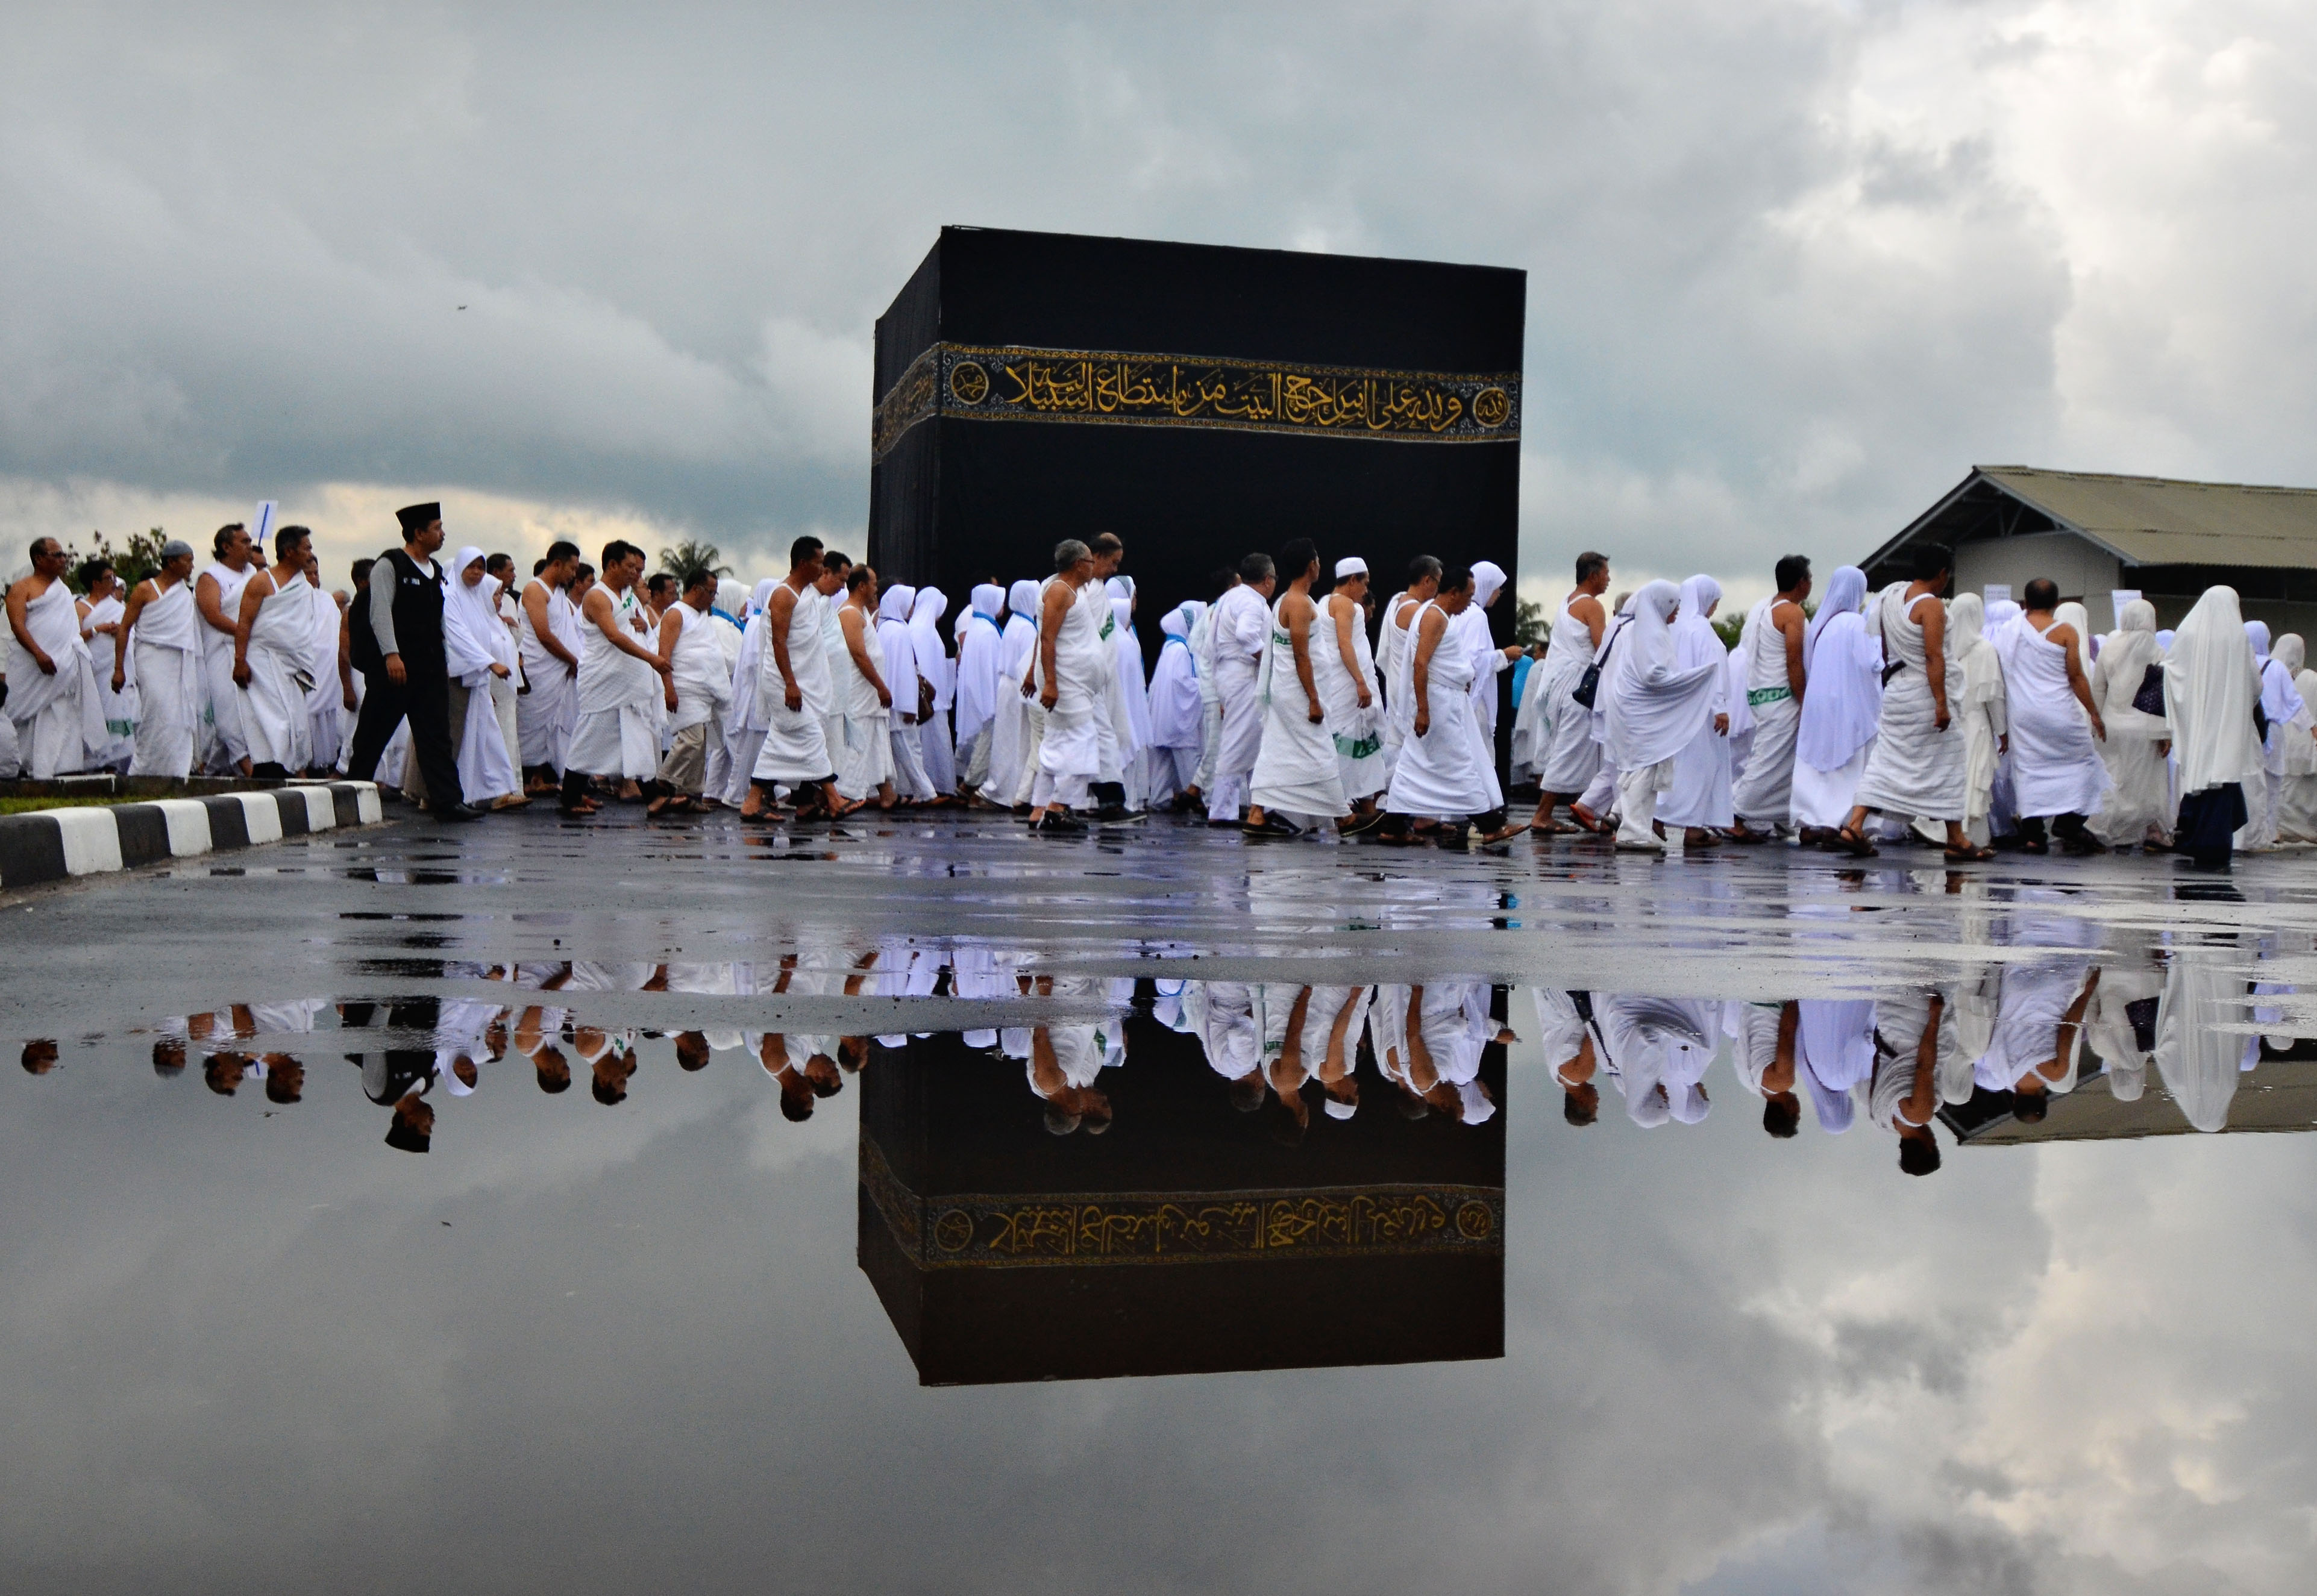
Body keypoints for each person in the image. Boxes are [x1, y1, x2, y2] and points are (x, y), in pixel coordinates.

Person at [1846, 545, 1989, 861]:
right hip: (1924, 693)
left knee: (1885, 761)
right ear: (1941, 574)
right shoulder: (1932, 607)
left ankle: (1856, 823)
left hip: (1897, 690)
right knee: (1951, 759)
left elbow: (1884, 651)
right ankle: (1957, 839)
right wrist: (1941, 702)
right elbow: (1933, 655)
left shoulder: (1890, 599)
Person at [1378, 566, 1526, 846]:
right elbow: (1420, 663)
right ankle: (1490, 824)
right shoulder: (1434, 617)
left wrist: (1460, 680)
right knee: (1460, 762)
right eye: (1468, 596)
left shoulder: (1436, 614)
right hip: (1438, 704)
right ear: (1453, 592)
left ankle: (1393, 824)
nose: (1470, 602)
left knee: (1412, 764)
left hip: (1443, 698)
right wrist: (1423, 710)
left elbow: (1436, 662)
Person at [348, 504, 476, 818]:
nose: (442, 534)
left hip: (429, 668)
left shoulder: (435, 570)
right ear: (418, 533)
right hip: (395, 669)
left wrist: (444, 658)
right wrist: (391, 654)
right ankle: (349, 795)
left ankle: (448, 801)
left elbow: (439, 618)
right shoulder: (390, 565)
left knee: (436, 736)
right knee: (372, 734)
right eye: (437, 528)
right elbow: (380, 613)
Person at [1596, 580, 1722, 853]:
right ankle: (1633, 831)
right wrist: (1695, 678)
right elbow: (1654, 675)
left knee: (1644, 771)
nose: (1677, 611)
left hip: (1639, 713)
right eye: (1673, 606)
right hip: (1640, 715)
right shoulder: (1650, 634)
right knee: (1643, 770)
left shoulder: (1650, 630)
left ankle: (1638, 827)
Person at [1993, 579, 2110, 854]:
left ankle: (2035, 836)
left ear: (2025, 602)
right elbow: (2076, 676)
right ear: (2057, 604)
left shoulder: (2009, 631)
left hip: (2023, 715)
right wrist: (2094, 712)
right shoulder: (2065, 631)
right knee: (2085, 764)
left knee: (2030, 770)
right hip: (2059, 712)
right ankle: (2069, 821)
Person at [560, 540, 674, 816]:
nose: (636, 574)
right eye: (631, 567)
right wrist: (652, 660)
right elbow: (613, 636)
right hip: (604, 679)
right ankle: (570, 797)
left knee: (637, 734)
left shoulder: (627, 594)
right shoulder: (598, 597)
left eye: (638, 569)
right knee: (589, 737)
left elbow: (635, 622)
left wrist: (643, 625)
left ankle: (652, 795)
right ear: (612, 565)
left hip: (628, 681)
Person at [1246, 539, 1351, 837]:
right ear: (1311, 566)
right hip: (1298, 695)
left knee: (1277, 751)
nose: (1320, 564)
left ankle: (1256, 814)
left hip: (1289, 693)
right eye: (1317, 560)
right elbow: (1300, 655)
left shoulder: (1286, 600)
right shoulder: (1298, 604)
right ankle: (1343, 816)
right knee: (1320, 752)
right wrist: (1314, 699)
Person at [741, 537, 845, 822]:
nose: (822, 568)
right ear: (803, 563)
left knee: (780, 740)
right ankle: (834, 799)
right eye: (818, 562)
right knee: (810, 735)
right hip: (784, 682)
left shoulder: (808, 592)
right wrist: (790, 683)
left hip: (802, 682)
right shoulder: (783, 595)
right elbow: (779, 642)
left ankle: (754, 802)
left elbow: (828, 589)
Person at [2162, 586, 2266, 870]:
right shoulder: (2237, 638)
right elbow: (2256, 685)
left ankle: (2192, 834)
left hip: (2196, 720)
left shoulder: (2187, 634)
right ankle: (2215, 843)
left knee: (2197, 774)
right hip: (2227, 722)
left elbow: (2170, 673)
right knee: (2222, 776)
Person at [1789, 565, 1878, 851]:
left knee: (1816, 761)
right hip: (1849, 702)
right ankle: (1839, 822)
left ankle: (1809, 820)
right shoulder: (1856, 623)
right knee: (1847, 763)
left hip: (1818, 703)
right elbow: (1870, 663)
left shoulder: (1820, 624)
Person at [1727, 555, 1813, 843]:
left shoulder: (1763, 608)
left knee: (1779, 763)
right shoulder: (1793, 614)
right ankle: (1734, 815)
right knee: (1767, 763)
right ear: (1802, 582)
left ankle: (1785, 818)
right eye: (1810, 578)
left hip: (1762, 695)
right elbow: (1794, 663)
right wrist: (1804, 701)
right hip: (1783, 698)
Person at [4, 536, 104, 778]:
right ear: (39, 559)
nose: (63, 560)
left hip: (64, 668)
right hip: (32, 667)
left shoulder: (63, 591)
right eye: (57, 555)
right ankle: (27, 768)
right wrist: (38, 654)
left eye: (63, 555)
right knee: (27, 718)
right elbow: (17, 626)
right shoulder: (22, 588)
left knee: (63, 712)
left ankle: (63, 769)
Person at [1524, 551, 1611, 832]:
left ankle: (1584, 809)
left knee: (1583, 750)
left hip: (1562, 685)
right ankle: (1543, 814)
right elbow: (1602, 648)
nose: (1609, 580)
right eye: (1606, 574)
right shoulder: (1593, 606)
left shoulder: (1567, 601)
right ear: (1594, 575)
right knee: (1570, 750)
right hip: (1578, 687)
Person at [1026, 540, 1106, 833]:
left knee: (1057, 743)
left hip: (1075, 683)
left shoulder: (1073, 590)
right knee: (1082, 741)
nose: (1093, 566)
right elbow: (1047, 638)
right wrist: (1050, 683)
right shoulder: (1060, 591)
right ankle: (1058, 807)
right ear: (1077, 564)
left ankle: (1039, 807)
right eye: (1089, 561)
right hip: (1066, 683)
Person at [229, 521, 318, 780]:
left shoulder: (302, 584)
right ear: (289, 551)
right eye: (306, 548)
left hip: (293, 663)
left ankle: (287, 770)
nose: (310, 554)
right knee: (273, 719)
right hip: (263, 660)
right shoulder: (261, 581)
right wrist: (240, 661)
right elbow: (244, 622)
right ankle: (269, 768)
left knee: (296, 722)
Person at [440, 545, 524, 810]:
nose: (477, 573)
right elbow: (458, 636)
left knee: (488, 738)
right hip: (459, 677)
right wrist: (490, 663)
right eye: (471, 567)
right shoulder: (451, 596)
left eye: (481, 568)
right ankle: (457, 795)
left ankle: (498, 791)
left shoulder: (477, 598)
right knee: (461, 740)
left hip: (478, 678)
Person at [1656, 574, 1734, 849]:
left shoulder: (1675, 628)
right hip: (1704, 714)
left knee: (1680, 767)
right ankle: (1684, 824)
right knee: (1703, 768)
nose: (1715, 607)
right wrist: (1720, 708)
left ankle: (1675, 820)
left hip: (1679, 711)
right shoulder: (1701, 629)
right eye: (1714, 600)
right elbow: (1711, 672)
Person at [2087, 599, 2171, 849]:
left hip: (2112, 724)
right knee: (2146, 784)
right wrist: (2166, 734)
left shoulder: (2109, 648)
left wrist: (2097, 722)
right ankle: (2151, 831)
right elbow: (2162, 697)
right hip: (2144, 728)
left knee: (2113, 778)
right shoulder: (2157, 651)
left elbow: (2098, 689)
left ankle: (2102, 826)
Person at [114, 539, 202, 779]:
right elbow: (124, 628)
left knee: (178, 716)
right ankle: (143, 770)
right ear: (171, 562)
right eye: (188, 561)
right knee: (157, 712)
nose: (191, 567)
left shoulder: (186, 594)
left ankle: (176, 770)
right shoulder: (145, 589)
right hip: (152, 657)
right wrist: (119, 669)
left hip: (181, 660)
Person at [650, 566, 730, 815]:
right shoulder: (676, 614)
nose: (713, 598)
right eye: (711, 593)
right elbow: (664, 655)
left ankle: (690, 793)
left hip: (703, 689)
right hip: (684, 688)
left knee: (701, 742)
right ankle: (662, 784)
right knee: (692, 740)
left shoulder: (699, 615)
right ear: (696, 589)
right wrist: (669, 690)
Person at [1206, 553, 1275, 825]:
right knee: (1237, 742)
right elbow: (1246, 635)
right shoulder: (1250, 601)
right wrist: (1269, 662)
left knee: (1253, 743)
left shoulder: (1231, 597)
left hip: (1232, 675)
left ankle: (1258, 807)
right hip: (1244, 676)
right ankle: (1222, 812)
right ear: (1268, 580)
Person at [191, 523, 258, 775]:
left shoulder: (254, 574)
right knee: (228, 710)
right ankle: (246, 765)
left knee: (251, 712)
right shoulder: (211, 577)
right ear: (226, 547)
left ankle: (211, 769)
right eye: (244, 542)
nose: (249, 546)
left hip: (253, 650)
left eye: (250, 541)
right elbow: (213, 615)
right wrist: (244, 633)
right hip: (222, 652)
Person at [518, 540, 583, 790]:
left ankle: (538, 777)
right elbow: (544, 635)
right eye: (571, 569)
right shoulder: (536, 590)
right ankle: (519, 779)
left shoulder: (559, 593)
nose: (574, 575)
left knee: (552, 724)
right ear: (556, 564)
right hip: (539, 669)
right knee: (528, 722)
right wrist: (572, 659)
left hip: (560, 671)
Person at [2242, 619, 2313, 850]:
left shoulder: (2241, 663)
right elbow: (2294, 702)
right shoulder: (2276, 668)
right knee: (2272, 786)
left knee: (2248, 783)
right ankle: (2269, 834)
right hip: (2272, 729)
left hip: (2245, 729)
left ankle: (2245, 833)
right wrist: (2311, 726)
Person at [836, 565, 898, 810]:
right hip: (860, 693)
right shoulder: (850, 613)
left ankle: (887, 793)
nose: (876, 588)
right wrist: (881, 687)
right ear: (861, 586)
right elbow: (859, 655)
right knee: (858, 743)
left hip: (869, 695)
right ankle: (846, 793)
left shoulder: (861, 612)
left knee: (876, 743)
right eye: (873, 584)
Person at [876, 581, 936, 803]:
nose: (912, 608)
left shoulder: (885, 628)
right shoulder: (899, 631)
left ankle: (899, 791)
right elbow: (904, 673)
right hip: (900, 705)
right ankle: (926, 792)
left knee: (896, 752)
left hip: (890, 702)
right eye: (909, 604)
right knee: (911, 751)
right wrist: (910, 707)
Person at [1185, 566, 1238, 806]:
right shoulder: (1218, 614)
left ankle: (1195, 790)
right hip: (1215, 691)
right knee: (1217, 746)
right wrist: (1222, 697)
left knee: (1218, 745)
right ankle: (1202, 794)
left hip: (1215, 691)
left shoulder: (1217, 612)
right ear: (1230, 589)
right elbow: (1216, 660)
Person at [77, 560, 135, 769]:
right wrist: (97, 629)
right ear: (95, 582)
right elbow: (73, 638)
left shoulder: (118, 608)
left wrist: (120, 631)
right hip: (94, 671)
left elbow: (130, 634)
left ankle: (115, 763)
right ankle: (94, 761)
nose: (113, 582)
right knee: (96, 712)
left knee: (118, 710)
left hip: (116, 668)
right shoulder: (81, 607)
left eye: (114, 577)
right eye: (108, 578)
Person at [988, 578, 1041, 809]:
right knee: (1022, 742)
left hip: (1008, 687)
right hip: (1021, 689)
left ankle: (1008, 789)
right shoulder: (1028, 628)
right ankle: (1017, 792)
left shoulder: (1015, 623)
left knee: (1008, 741)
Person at [1146, 601, 1203, 809]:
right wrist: (1205, 684)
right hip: (1179, 719)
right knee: (1190, 762)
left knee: (1165, 765)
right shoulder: (1181, 650)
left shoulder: (1169, 647)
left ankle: (1160, 799)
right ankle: (1197, 800)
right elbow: (1182, 683)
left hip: (1164, 717)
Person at [952, 583, 1005, 798]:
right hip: (987, 694)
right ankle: (970, 785)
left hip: (978, 692)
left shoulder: (978, 626)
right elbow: (992, 667)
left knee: (980, 739)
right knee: (986, 739)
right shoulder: (988, 632)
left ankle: (972, 783)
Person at [911, 586, 957, 795]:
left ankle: (933, 786)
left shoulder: (925, 629)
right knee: (932, 742)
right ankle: (933, 786)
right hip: (928, 701)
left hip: (931, 699)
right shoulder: (922, 632)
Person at [2279, 634, 2317, 842]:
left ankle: (2284, 828)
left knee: (2287, 790)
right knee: (2306, 792)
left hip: (2284, 742)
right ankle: (2306, 830)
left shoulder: (2274, 674)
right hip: (2308, 743)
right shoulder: (2311, 678)